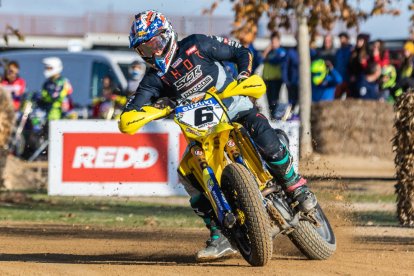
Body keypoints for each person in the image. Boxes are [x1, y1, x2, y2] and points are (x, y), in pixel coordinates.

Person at [119, 10, 317, 262]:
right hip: (200, 134)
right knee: (187, 174)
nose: (154, 53)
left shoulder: (196, 45)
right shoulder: (152, 79)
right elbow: (131, 111)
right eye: (145, 50)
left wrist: (244, 74)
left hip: (234, 107)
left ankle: (294, 186)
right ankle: (220, 234)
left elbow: (240, 51)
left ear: (167, 35)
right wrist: (152, 109)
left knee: (261, 132)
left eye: (155, 44)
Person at [262, 31, 287, 115]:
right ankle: (272, 115)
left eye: (275, 41)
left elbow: (276, 61)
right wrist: (266, 51)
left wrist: (267, 58)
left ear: (279, 41)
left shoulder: (281, 51)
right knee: (269, 100)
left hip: (276, 79)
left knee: (275, 99)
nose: (273, 44)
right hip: (267, 79)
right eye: (272, 41)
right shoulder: (269, 51)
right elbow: (261, 59)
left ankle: (276, 115)